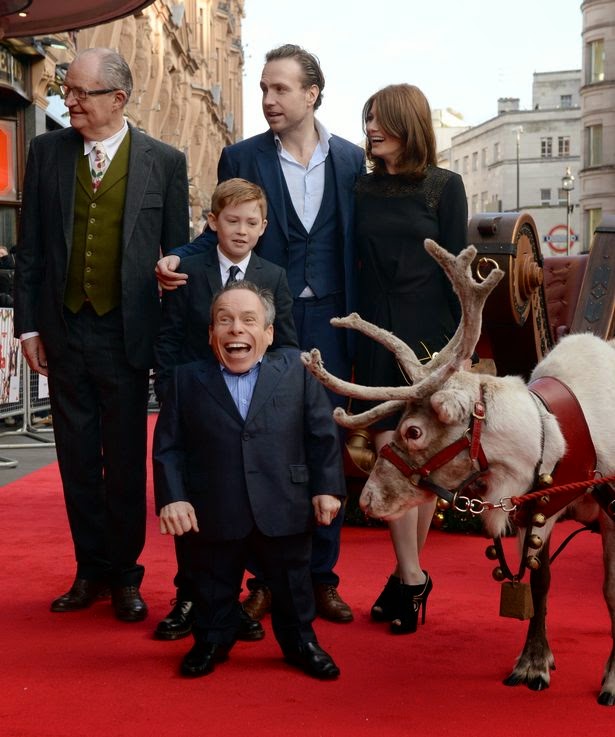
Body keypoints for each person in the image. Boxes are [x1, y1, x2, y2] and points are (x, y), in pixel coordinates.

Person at [155, 44, 365, 625]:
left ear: (311, 94)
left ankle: (320, 578)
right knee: (258, 446)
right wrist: (178, 257)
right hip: (262, 323)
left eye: (280, 89)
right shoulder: (241, 155)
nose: (268, 99)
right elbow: (222, 228)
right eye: (264, 88)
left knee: (322, 444)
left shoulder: (351, 161)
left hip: (333, 324)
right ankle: (265, 581)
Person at [13, 48, 190, 622]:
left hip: (127, 334)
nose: (68, 100)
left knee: (125, 460)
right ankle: (89, 569)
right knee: (77, 460)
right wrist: (29, 327)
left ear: (118, 98)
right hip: (64, 329)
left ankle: (125, 575)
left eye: (79, 92)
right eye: (66, 90)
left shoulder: (165, 161)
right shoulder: (46, 152)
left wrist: (170, 340)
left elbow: (179, 255)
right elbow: (30, 249)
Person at [153, 281, 345, 680]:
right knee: (211, 583)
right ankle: (211, 640)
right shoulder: (185, 380)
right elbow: (168, 446)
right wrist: (174, 497)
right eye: (224, 320)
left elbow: (322, 435)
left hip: (284, 501)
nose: (236, 328)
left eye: (248, 320)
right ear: (211, 333)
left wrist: (327, 488)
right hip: (214, 505)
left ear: (269, 333)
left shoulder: (297, 370)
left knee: (293, 583)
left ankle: (302, 642)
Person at [153, 177, 298, 641]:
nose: (241, 230)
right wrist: (171, 391)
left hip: (254, 412)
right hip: (199, 407)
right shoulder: (189, 272)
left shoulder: (274, 276)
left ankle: (234, 601)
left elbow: (287, 345)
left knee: (247, 504)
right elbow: (170, 336)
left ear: (264, 227)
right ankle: (189, 596)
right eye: (232, 221)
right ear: (213, 222)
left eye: (251, 223)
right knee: (196, 501)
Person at [353, 84, 468, 634]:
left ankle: (408, 577)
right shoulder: (360, 187)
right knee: (388, 447)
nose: (372, 128)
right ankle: (412, 576)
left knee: (419, 454)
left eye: (383, 119)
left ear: (409, 124)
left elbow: (456, 273)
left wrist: (460, 353)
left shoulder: (445, 186)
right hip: (377, 328)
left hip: (432, 333)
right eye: (369, 118)